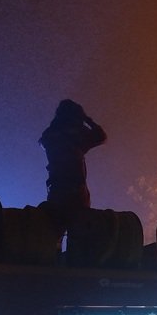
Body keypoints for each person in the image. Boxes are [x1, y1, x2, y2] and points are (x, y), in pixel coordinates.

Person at [39, 99, 107, 237]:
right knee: (80, 238)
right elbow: (101, 136)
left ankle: (53, 255)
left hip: (56, 192)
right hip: (76, 194)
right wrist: (86, 119)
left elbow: (42, 141)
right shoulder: (76, 135)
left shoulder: (51, 134)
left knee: (53, 235)